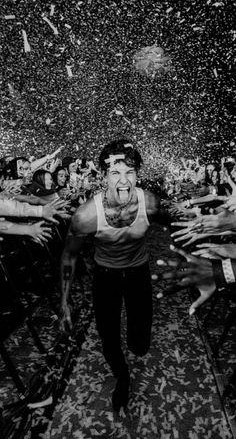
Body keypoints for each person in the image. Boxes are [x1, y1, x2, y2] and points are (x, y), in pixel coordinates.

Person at [60, 139, 171, 412]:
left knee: (140, 345)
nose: (124, 180)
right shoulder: (86, 215)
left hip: (138, 274)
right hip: (106, 276)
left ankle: (134, 351)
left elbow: (178, 224)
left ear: (138, 174)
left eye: (130, 172)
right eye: (115, 172)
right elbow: (68, 256)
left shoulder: (151, 203)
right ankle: (122, 376)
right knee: (108, 337)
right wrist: (64, 302)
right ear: (102, 175)